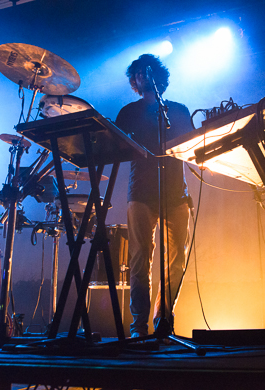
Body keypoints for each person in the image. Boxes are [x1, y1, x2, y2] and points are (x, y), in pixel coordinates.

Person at [115, 54, 193, 338]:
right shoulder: (128, 112)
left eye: (145, 71)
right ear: (133, 81)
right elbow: (116, 146)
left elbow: (192, 145)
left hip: (175, 192)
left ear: (157, 75)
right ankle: (139, 327)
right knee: (140, 261)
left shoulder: (178, 110)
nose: (141, 76)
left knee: (177, 260)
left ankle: (164, 321)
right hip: (141, 191)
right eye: (136, 73)